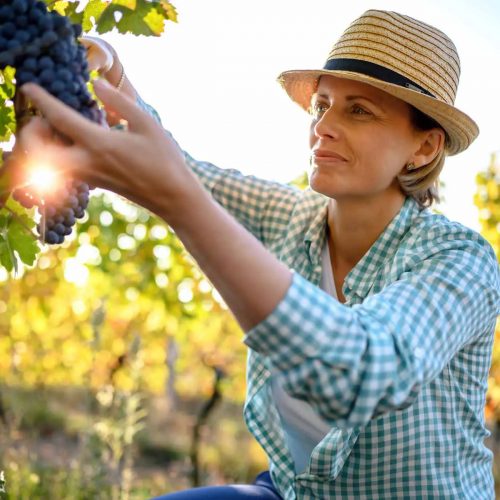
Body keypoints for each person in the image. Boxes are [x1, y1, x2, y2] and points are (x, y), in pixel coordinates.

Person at [12, 9, 500, 500]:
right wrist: (111, 71)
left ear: (424, 147)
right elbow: (182, 172)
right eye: (322, 106)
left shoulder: (459, 260)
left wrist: (183, 205)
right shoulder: (290, 214)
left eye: (358, 111)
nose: (323, 127)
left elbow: (367, 371)